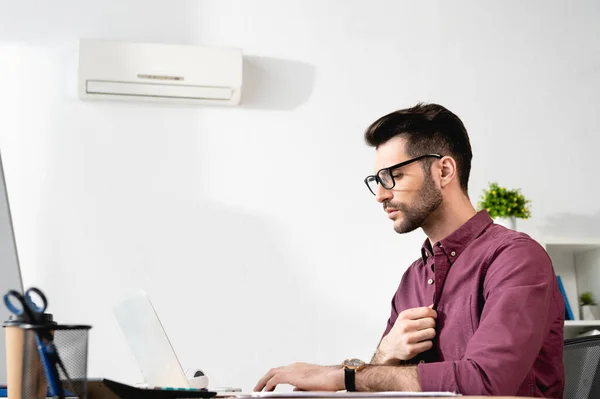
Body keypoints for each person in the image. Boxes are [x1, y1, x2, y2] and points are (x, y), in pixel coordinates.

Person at [254, 103, 565, 397]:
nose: (380, 195)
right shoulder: (413, 278)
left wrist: (341, 375)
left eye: (394, 176)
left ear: (443, 171)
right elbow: (381, 384)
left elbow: (487, 382)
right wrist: (387, 352)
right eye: (377, 180)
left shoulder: (516, 258)